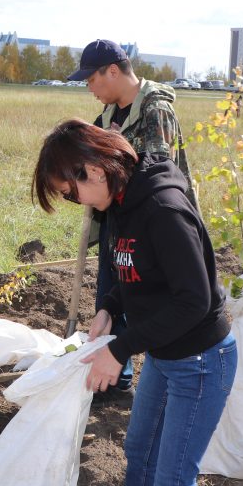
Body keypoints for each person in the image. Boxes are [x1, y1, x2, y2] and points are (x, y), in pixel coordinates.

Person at [32, 119, 236, 486]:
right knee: (140, 449)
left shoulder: (163, 210)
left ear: (93, 169)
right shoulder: (120, 204)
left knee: (174, 482)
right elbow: (132, 271)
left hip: (199, 360)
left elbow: (194, 300)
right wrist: (108, 308)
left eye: (72, 193)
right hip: (165, 355)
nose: (77, 202)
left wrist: (119, 349)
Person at [67, 38, 195, 399]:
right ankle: (114, 376)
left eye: (92, 80)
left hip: (154, 228)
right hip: (116, 223)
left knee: (146, 298)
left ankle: (156, 374)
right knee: (111, 297)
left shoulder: (156, 110)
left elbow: (159, 168)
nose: (89, 88)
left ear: (112, 71)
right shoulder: (107, 116)